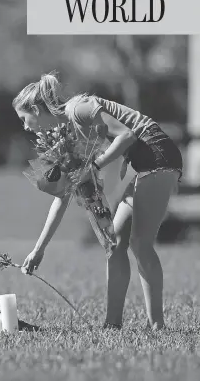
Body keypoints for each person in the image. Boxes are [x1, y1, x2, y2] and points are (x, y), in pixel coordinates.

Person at [12, 72, 183, 330]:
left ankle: (157, 325)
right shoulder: (67, 134)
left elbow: (127, 135)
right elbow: (63, 196)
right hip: (143, 164)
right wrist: (39, 249)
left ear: (35, 109)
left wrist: (94, 165)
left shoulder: (79, 109)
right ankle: (112, 324)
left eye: (24, 119)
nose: (25, 127)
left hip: (159, 157)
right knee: (115, 245)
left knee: (140, 243)